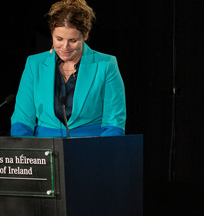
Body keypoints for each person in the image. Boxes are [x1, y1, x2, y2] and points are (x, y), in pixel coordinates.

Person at [10, 0, 126, 137]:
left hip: (91, 148)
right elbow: (22, 120)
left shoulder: (106, 64)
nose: (65, 47)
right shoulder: (34, 64)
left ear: (85, 35)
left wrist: (101, 154)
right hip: (45, 151)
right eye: (59, 39)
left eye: (73, 41)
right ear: (52, 34)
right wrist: (26, 155)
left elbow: (114, 122)